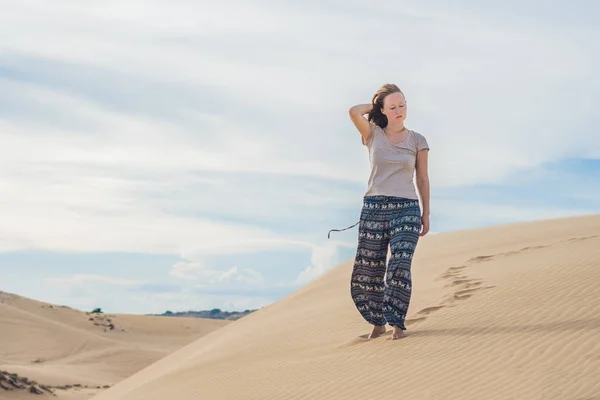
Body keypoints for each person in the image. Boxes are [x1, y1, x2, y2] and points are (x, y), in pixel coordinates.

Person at [348, 83, 430, 340]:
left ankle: (397, 322)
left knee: (400, 264)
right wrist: (375, 107)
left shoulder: (418, 140)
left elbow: (423, 179)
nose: (399, 110)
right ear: (382, 109)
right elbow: (353, 111)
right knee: (369, 269)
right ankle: (377, 321)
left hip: (406, 207)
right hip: (374, 208)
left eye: (402, 105)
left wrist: (425, 214)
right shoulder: (372, 134)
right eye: (392, 107)